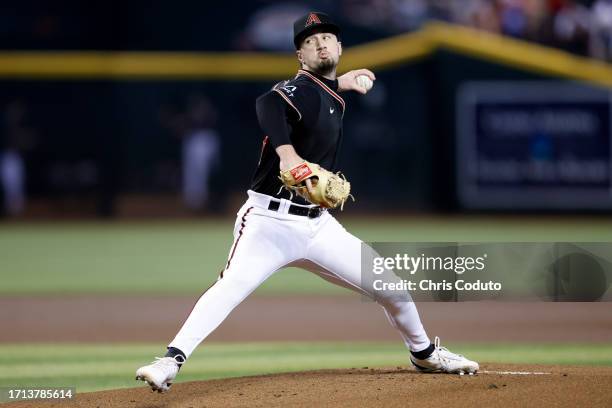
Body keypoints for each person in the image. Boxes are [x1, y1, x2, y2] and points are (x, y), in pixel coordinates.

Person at [136, 11, 478, 393]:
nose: (320, 43)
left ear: (340, 48)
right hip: (268, 222)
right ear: (301, 56)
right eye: (310, 42)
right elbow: (268, 103)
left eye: (327, 38)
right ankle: (170, 360)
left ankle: (424, 353)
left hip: (318, 226)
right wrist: (286, 154)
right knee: (230, 287)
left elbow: (323, 95)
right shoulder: (298, 88)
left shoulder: (329, 93)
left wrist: (343, 83)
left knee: (392, 288)